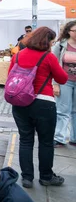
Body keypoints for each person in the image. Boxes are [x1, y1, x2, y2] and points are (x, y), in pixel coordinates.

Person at [10, 27, 68, 188]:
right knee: (46, 141)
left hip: (20, 103)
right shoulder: (48, 57)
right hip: (44, 103)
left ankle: (27, 178)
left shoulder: (18, 55)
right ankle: (46, 176)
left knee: (26, 140)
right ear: (46, 41)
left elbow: (10, 76)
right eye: (52, 41)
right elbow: (62, 79)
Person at [53, 20, 76, 148]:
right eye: (75, 31)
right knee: (62, 110)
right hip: (65, 81)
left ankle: (74, 138)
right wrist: (55, 84)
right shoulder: (61, 45)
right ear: (68, 31)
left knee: (75, 111)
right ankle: (59, 137)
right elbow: (54, 65)